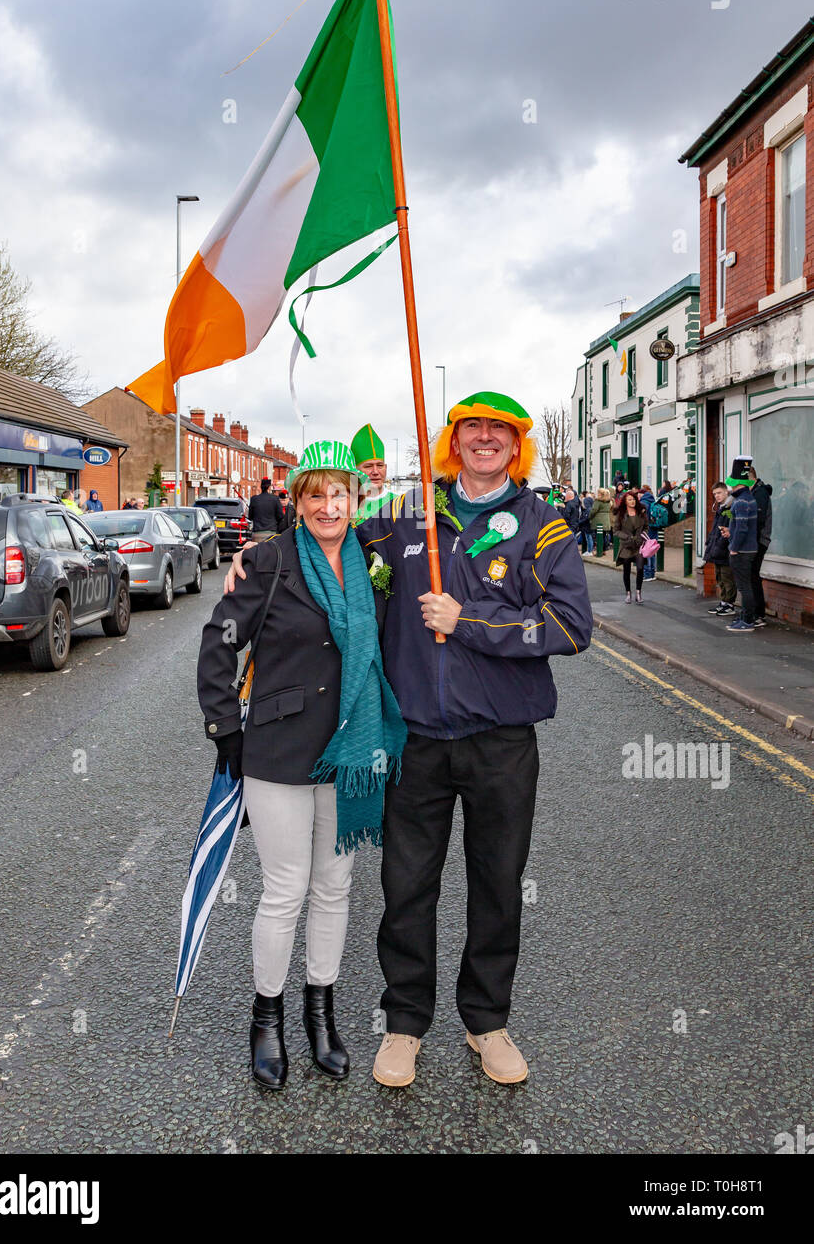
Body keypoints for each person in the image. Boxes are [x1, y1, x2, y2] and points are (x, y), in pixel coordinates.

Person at [225, 392, 592, 1089]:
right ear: (454, 441)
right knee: (406, 888)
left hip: (502, 742)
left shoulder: (543, 526)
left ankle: (487, 1023)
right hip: (414, 742)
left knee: (497, 886)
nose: (484, 440)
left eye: (499, 432)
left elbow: (572, 626)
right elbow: (320, 542)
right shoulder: (399, 517)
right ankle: (404, 1026)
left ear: (518, 445)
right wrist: (259, 555)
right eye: (471, 429)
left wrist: (470, 620)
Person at [198, 441, 405, 1090]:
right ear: (297, 501)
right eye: (314, 494)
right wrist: (224, 729)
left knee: (334, 887)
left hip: (350, 751)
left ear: (354, 498)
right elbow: (218, 642)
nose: (327, 504)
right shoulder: (266, 561)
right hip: (280, 749)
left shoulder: (373, 562)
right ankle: (267, 1020)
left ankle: (322, 1015)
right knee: (285, 889)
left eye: (338, 493)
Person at [724, 457, 759, 632]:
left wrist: (734, 549)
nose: (730, 488)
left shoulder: (741, 501)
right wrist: (731, 532)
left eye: (732, 484)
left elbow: (742, 529)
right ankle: (745, 617)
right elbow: (741, 527)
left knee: (744, 587)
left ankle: (747, 621)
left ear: (738, 484)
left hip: (743, 551)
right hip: (747, 549)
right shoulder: (747, 498)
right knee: (745, 586)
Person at [703, 481, 736, 618]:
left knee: (727, 577)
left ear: (726, 492)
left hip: (725, 549)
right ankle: (723, 602)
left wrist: (719, 545)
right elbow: (715, 529)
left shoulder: (730, 507)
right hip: (717, 548)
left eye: (719, 493)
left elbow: (728, 529)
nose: (717, 496)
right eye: (715, 494)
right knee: (720, 577)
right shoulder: (721, 508)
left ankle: (729, 604)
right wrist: (710, 542)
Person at [351, 423, 395, 519]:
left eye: (380, 465)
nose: (375, 471)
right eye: (368, 466)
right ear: (355, 471)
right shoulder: (346, 505)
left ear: (386, 468)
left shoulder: (399, 503)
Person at [613, 488, 648, 603]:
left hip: (639, 545)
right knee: (626, 570)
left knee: (640, 568)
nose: (632, 501)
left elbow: (646, 527)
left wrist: (642, 536)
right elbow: (616, 531)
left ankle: (638, 593)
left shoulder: (641, 512)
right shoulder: (621, 514)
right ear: (625, 502)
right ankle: (628, 593)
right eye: (629, 499)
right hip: (627, 546)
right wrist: (626, 537)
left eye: (633, 499)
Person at [750, 465, 773, 627]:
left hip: (758, 540)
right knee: (750, 576)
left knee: (752, 575)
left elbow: (759, 520)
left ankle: (758, 614)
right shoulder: (754, 492)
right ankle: (754, 612)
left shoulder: (760, 493)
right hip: (754, 540)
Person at [248, 476, 285, 541]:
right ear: (269, 487)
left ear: (261, 487)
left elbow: (250, 516)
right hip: (271, 532)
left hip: (257, 532)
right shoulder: (275, 499)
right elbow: (280, 516)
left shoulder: (254, 499)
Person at [638, 484, 656, 580]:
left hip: (646, 529)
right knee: (652, 550)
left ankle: (647, 573)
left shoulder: (643, 503)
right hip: (653, 528)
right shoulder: (652, 500)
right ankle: (652, 572)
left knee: (646, 551)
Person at [589, 487, 612, 552]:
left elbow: (594, 510)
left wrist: (589, 517)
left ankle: (599, 551)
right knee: (604, 536)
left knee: (599, 537)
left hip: (598, 520)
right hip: (606, 520)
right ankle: (604, 550)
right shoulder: (608, 501)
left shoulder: (598, 501)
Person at [577, 489, 595, 555]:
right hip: (586, 526)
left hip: (588, 526)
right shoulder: (587, 509)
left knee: (589, 538)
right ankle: (589, 550)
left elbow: (586, 518)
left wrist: (579, 522)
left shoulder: (588, 510)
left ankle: (590, 551)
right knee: (588, 538)